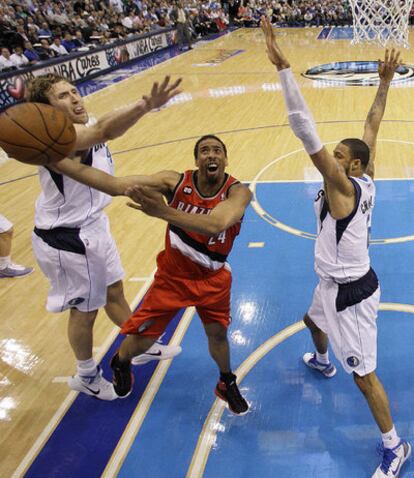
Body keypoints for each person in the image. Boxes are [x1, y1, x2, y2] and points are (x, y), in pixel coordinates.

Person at [261, 16, 410, 478]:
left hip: (353, 295)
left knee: (364, 377)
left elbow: (304, 129)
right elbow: (372, 121)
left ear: (354, 166)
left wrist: (285, 69)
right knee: (311, 319)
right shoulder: (360, 174)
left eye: (340, 158)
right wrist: (384, 83)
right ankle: (322, 360)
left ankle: (395, 446)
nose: (333, 160)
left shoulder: (344, 190)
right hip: (329, 286)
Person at [51, 134, 252, 415]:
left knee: (218, 334)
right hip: (172, 279)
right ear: (196, 161)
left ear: (225, 159)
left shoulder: (238, 192)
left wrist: (163, 212)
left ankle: (226, 381)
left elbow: (217, 224)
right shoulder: (175, 182)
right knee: (143, 341)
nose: (211, 155)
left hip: (213, 280)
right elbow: (117, 185)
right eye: (204, 150)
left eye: (217, 150)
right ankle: (120, 361)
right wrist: (57, 162)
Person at [25, 74, 183, 401]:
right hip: (67, 238)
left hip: (92, 226)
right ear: (47, 110)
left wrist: (143, 106)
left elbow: (103, 121)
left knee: (114, 290)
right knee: (85, 311)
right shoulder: (59, 141)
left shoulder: (80, 127)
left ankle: (138, 345)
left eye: (74, 91)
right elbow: (104, 131)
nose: (75, 99)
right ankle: (86, 375)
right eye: (62, 97)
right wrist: (145, 105)